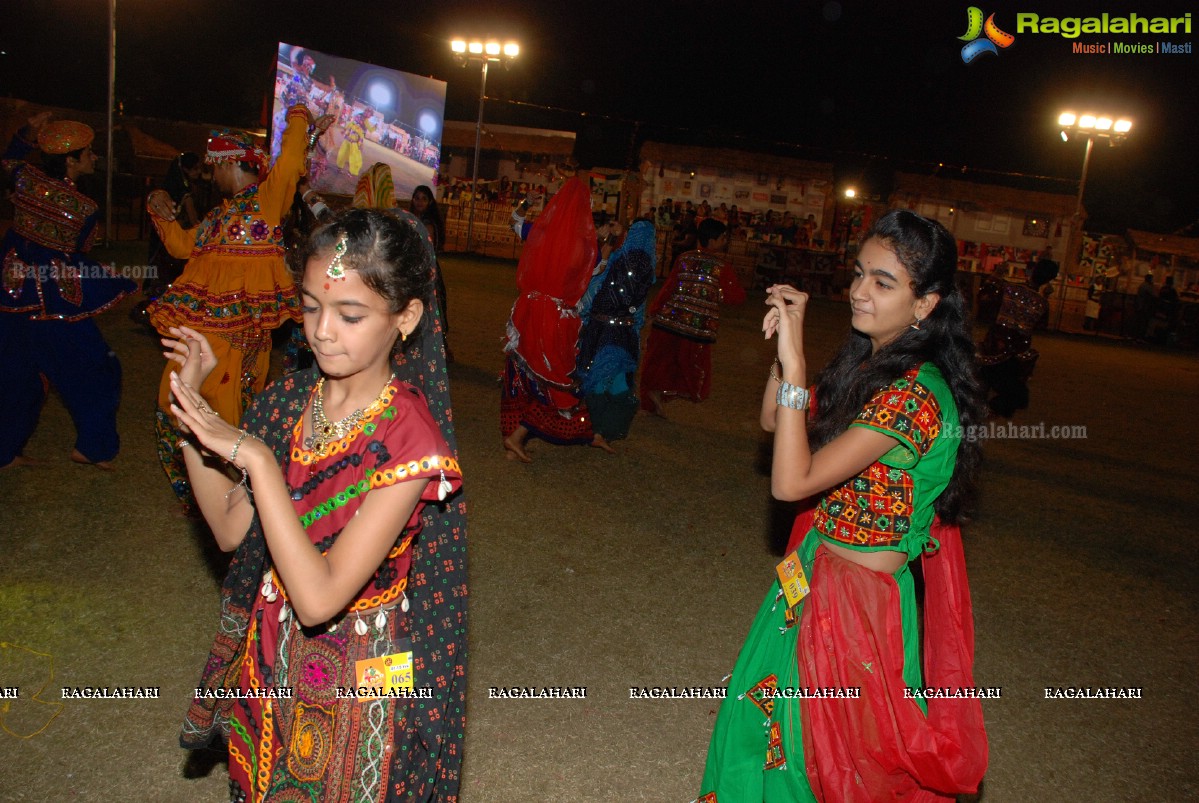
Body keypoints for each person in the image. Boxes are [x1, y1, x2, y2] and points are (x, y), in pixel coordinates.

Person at [167, 208, 466, 801]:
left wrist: (255, 458)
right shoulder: (292, 399)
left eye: (350, 314)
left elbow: (320, 597)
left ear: (406, 318)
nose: (323, 330)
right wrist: (194, 420)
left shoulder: (412, 439)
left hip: (367, 662)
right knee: (262, 779)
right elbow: (231, 529)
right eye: (310, 307)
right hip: (272, 644)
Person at [699, 209, 987, 801]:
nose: (859, 292)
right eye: (859, 274)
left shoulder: (915, 397)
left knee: (838, 765)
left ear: (926, 304)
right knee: (765, 735)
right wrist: (788, 353)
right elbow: (773, 420)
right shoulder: (867, 363)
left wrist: (798, 362)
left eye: (883, 283)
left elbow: (791, 482)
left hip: (861, 610)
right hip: (811, 578)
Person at [146, 104, 332, 505]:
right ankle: (196, 494)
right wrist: (158, 205)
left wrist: (298, 116)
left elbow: (289, 164)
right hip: (198, 339)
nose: (212, 176)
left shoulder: (266, 203)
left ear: (230, 162)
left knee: (226, 419)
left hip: (238, 342)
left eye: (215, 167)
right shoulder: (218, 217)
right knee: (173, 404)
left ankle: (229, 501)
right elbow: (180, 244)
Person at [1, 113, 137, 470]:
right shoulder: (84, 208)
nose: (94, 158)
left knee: (19, 377)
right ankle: (92, 448)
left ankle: (4, 451)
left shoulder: (25, 180)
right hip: (54, 304)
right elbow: (81, 247)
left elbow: (11, 161)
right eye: (89, 153)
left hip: (11, 297)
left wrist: (28, 131)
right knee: (100, 369)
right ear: (71, 160)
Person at [500, 177, 598, 462]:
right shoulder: (587, 245)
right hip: (556, 317)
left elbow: (514, 222)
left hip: (528, 311)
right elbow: (594, 272)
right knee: (554, 377)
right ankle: (517, 435)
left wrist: (525, 204)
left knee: (526, 370)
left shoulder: (540, 231)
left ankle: (516, 433)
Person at [639, 217, 745, 416]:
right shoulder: (721, 267)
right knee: (690, 368)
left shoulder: (685, 258)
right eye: (723, 238)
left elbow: (669, 287)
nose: (724, 241)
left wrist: (655, 311)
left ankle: (654, 398)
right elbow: (736, 297)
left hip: (668, 321)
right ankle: (660, 397)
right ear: (713, 240)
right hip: (696, 328)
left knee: (661, 362)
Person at [575, 218, 658, 449]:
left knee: (601, 378)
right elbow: (637, 305)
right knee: (616, 381)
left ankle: (597, 430)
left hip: (603, 329)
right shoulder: (647, 266)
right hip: (623, 331)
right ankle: (601, 431)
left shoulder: (620, 259)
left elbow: (595, 286)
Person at [976, 266, 1052, 418]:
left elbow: (985, 296)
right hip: (1018, 345)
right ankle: (994, 409)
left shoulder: (1011, 289)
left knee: (984, 374)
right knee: (1012, 384)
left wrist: (996, 275)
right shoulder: (1042, 303)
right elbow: (1042, 325)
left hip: (997, 339)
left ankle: (978, 408)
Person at [410, 184, 452, 359]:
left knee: (430, 310)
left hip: (425, 270)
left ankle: (439, 348)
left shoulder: (427, 223)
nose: (419, 202)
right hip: (415, 269)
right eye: (417, 198)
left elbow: (427, 250)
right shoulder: (414, 219)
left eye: (423, 199)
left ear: (429, 202)